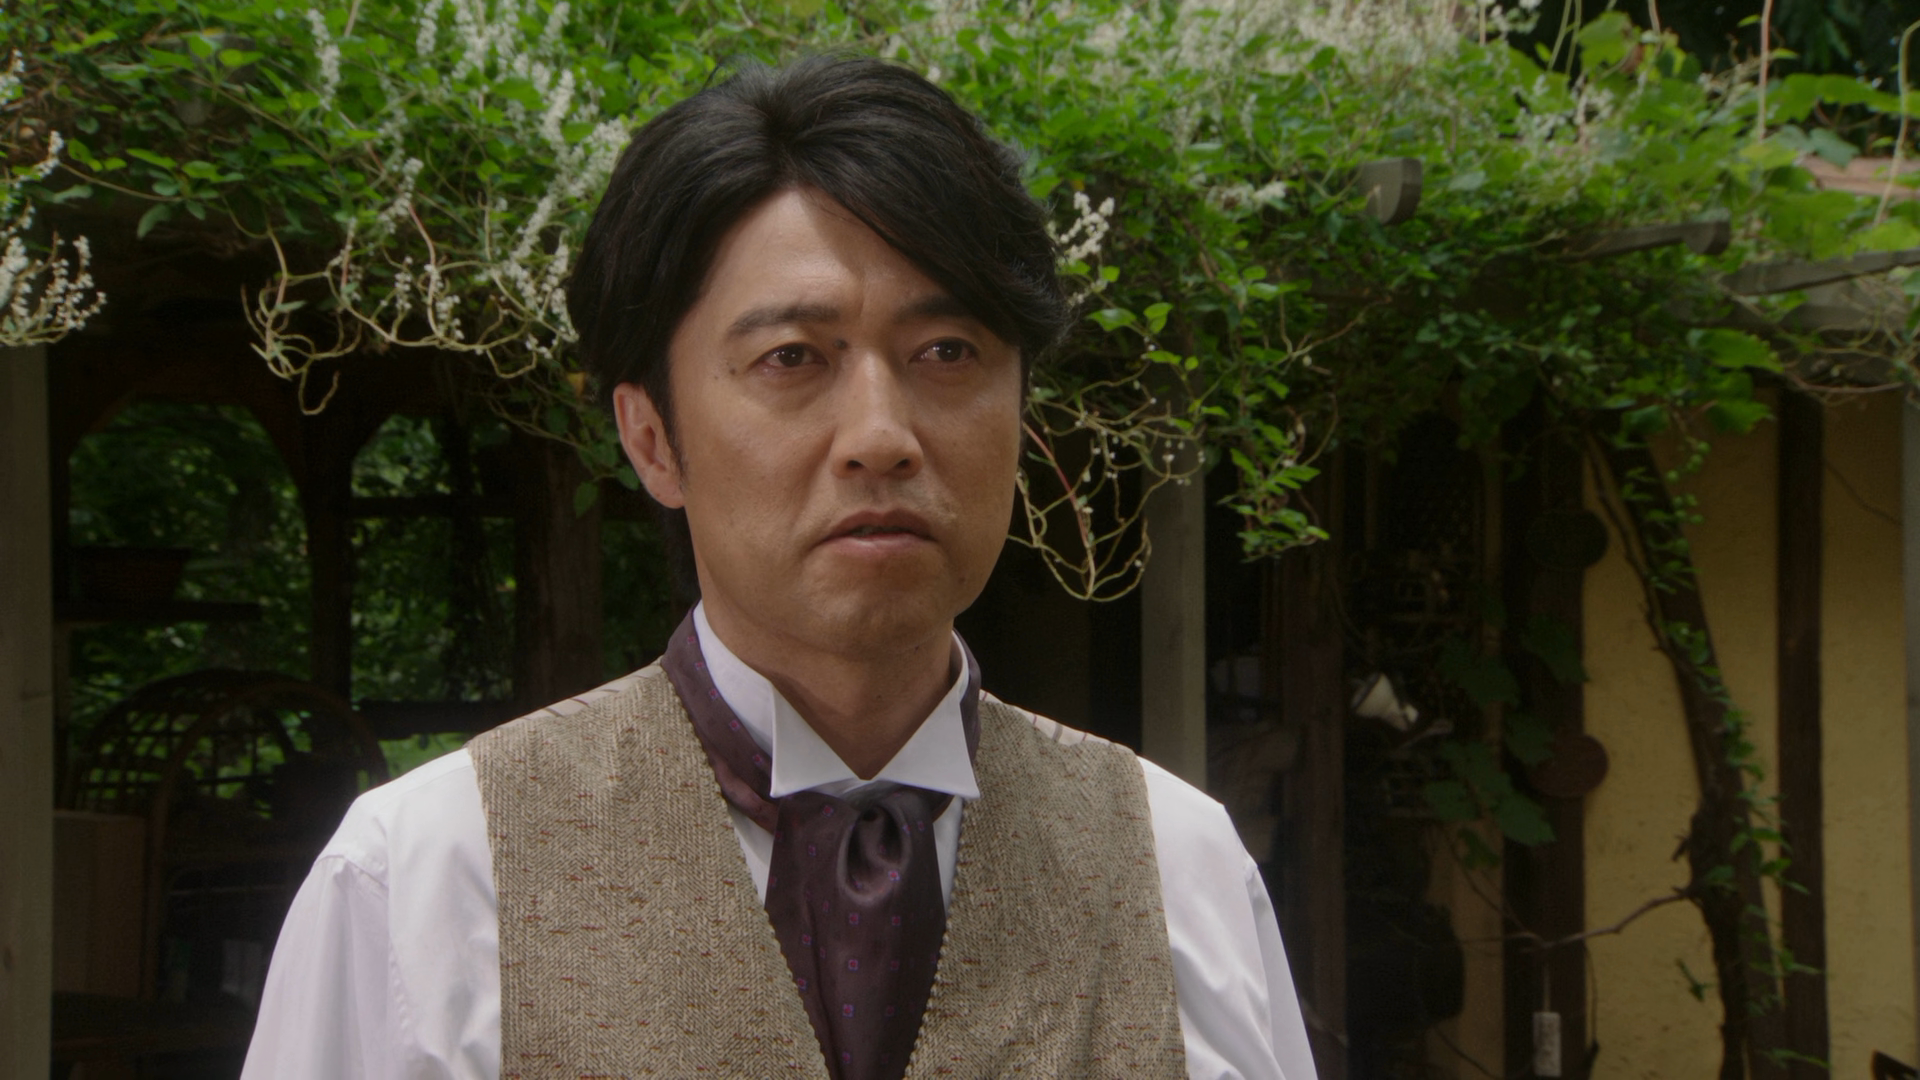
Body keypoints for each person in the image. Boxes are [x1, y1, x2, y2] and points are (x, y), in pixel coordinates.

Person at [242, 56, 1318, 1080]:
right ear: (653, 439)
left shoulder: (1179, 869)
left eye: (947, 352)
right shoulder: (427, 881)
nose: (881, 436)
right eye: (791, 358)